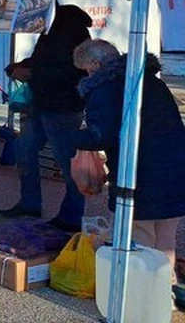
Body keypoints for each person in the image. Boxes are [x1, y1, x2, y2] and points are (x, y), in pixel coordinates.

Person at [72, 39, 185, 269]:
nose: (88, 74)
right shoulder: (150, 81)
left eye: (87, 69)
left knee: (138, 239)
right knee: (165, 237)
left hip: (140, 174)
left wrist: (71, 138)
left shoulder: (107, 88)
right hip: (176, 168)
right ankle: (164, 292)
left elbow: (100, 135)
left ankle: (139, 296)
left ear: (95, 63)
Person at [0, 5, 92, 232]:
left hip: (63, 107)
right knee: (24, 150)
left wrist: (32, 73)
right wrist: (22, 66)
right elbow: (46, 60)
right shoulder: (51, 29)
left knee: (67, 163)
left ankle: (72, 215)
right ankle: (30, 203)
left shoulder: (71, 31)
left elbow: (74, 71)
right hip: (40, 102)